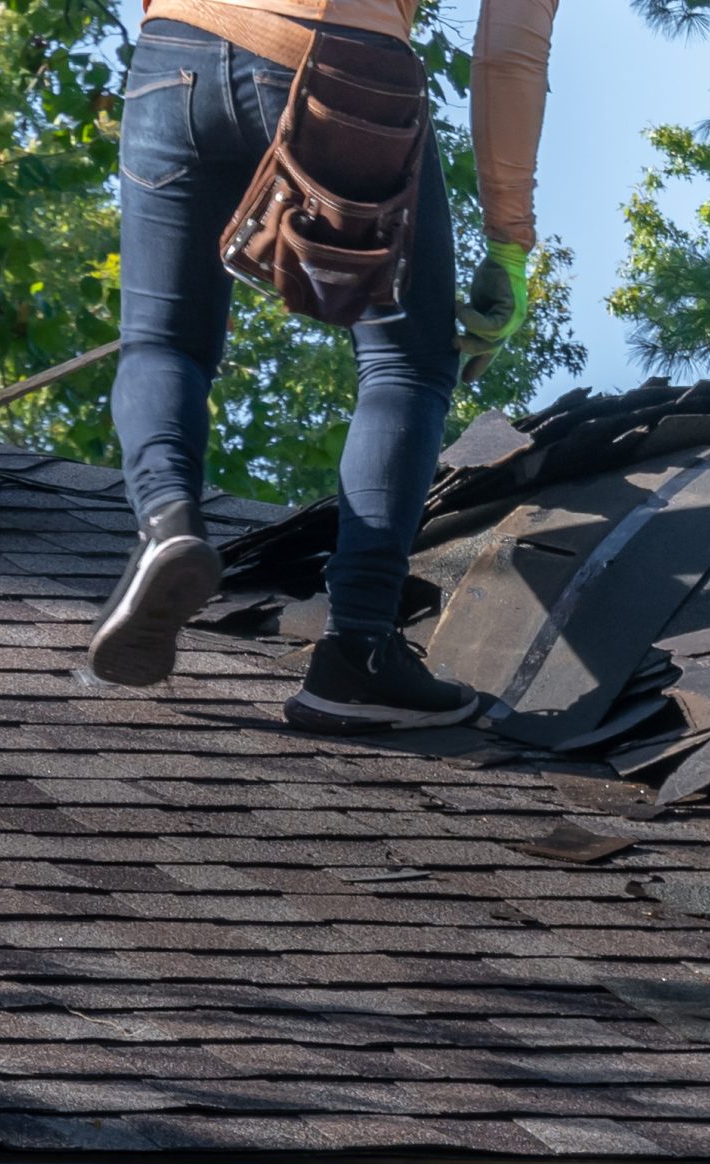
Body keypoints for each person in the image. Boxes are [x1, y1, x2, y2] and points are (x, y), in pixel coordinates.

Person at [89, 0, 560, 728]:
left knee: (163, 340)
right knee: (406, 363)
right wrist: (508, 241)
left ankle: (166, 523)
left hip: (172, 50)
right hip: (346, 61)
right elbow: (509, 50)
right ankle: (358, 649)